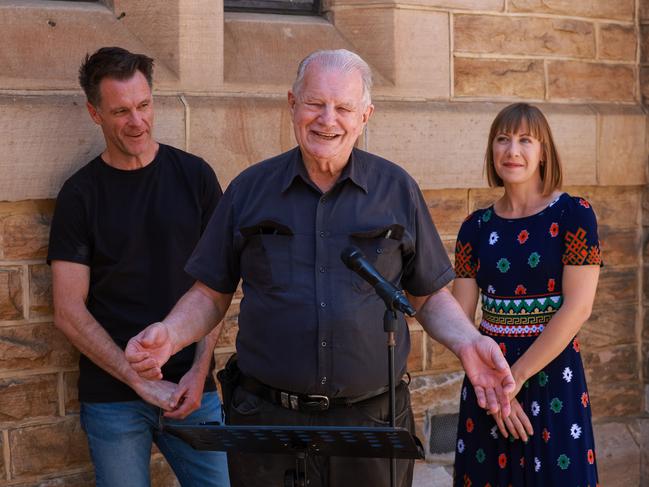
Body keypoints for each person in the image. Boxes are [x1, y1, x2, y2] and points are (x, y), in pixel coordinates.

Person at [125, 49, 515, 487]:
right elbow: (210, 294)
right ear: (292, 104)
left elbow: (427, 296)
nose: (328, 119)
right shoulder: (249, 190)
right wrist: (170, 334)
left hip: (371, 425)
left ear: (365, 115)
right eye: (315, 103)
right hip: (266, 424)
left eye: (344, 107)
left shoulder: (397, 189)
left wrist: (468, 342)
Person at [47, 47, 230, 487]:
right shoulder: (80, 195)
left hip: (192, 388)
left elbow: (218, 287)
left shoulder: (196, 177)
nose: (138, 122)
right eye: (121, 111)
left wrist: (198, 373)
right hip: (112, 396)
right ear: (95, 113)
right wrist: (138, 381)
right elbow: (68, 311)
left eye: (144, 105)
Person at [452, 103, 601, 486]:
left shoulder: (574, 215)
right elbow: (459, 317)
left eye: (524, 140)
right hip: (488, 383)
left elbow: (579, 307)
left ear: (543, 152)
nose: (512, 150)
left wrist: (515, 378)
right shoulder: (474, 228)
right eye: (502, 139)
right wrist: (495, 387)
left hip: (553, 376)